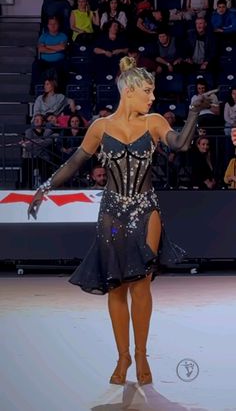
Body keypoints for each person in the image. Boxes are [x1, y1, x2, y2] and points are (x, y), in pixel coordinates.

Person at [28, 56, 213, 386]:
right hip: (112, 212)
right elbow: (73, 162)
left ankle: (141, 355)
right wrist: (44, 187)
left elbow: (181, 144)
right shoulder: (100, 128)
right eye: (147, 91)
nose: (153, 97)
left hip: (146, 209)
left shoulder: (154, 121)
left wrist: (195, 110)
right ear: (129, 90)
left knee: (140, 282)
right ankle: (123, 356)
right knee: (116, 283)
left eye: (153, 92)